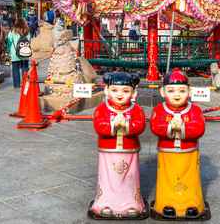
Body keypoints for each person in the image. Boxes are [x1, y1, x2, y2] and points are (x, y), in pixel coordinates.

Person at [150, 68, 208, 220]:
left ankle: (192, 203)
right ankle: (166, 202)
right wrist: (170, 127)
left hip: (189, 152)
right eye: (171, 91)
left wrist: (182, 127)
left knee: (190, 178)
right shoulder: (159, 109)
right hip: (167, 152)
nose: (177, 95)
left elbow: (199, 127)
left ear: (189, 91)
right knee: (167, 178)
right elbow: (155, 126)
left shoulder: (195, 110)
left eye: (182, 91)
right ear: (163, 92)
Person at [89, 72, 147, 219]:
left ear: (134, 93)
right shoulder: (102, 109)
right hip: (108, 150)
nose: (120, 95)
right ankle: (105, 203)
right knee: (108, 178)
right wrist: (113, 124)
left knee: (130, 177)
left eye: (125, 91)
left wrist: (127, 125)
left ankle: (132, 204)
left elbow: (140, 125)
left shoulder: (136, 109)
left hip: (129, 150)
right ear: (107, 90)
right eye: (114, 90)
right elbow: (99, 125)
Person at [5, 20, 31, 88]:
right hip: (25, 53)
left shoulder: (12, 32)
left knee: (15, 69)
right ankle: (25, 83)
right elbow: (29, 41)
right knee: (25, 68)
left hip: (14, 54)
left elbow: (9, 43)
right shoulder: (27, 32)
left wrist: (7, 54)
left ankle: (17, 85)